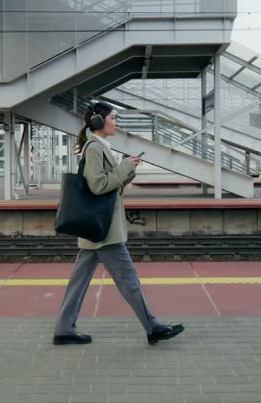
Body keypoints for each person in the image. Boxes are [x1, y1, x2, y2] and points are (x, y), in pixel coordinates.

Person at [53, 101, 184, 345]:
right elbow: (98, 185)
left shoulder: (99, 147)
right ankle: (153, 327)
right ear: (99, 122)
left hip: (96, 229)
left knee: (78, 281)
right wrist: (123, 167)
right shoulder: (94, 148)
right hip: (104, 231)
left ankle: (64, 329)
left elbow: (110, 186)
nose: (117, 122)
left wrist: (128, 169)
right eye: (113, 118)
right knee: (129, 280)